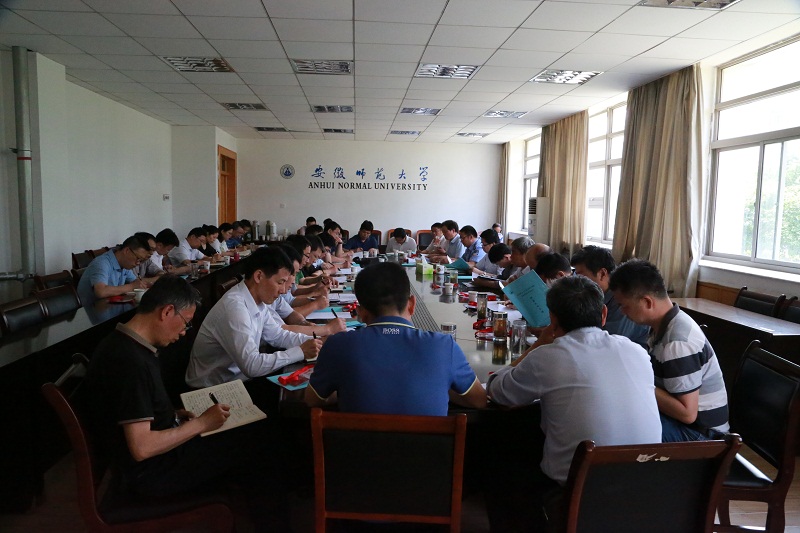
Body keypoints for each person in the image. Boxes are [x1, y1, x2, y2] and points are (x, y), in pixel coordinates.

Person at [82, 275, 291, 529]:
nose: (183, 333)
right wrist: (201, 424)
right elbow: (141, 447)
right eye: (185, 323)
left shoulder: (124, 343)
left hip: (156, 457)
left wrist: (176, 416)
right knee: (262, 441)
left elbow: (134, 408)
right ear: (167, 312)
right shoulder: (129, 363)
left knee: (256, 429)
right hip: (152, 473)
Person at [486, 276, 662, 527]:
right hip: (644, 489)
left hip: (580, 495)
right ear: (603, 314)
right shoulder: (637, 351)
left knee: (500, 460)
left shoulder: (549, 356)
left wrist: (538, 345)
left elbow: (497, 391)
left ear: (553, 319)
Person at [305, 262, 486, 415]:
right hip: (426, 448)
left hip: (355, 447)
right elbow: (479, 401)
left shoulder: (338, 345)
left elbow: (312, 400)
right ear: (412, 304)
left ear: (361, 313)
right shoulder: (444, 346)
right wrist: (440, 384)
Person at [609, 259, 729, 442]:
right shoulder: (664, 324)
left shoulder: (676, 343)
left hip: (703, 435)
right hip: (687, 425)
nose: (622, 312)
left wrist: (639, 382)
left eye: (624, 306)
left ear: (647, 302)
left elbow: (687, 414)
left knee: (621, 428)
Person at [185, 247, 323, 389]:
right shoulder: (235, 307)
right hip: (212, 389)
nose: (283, 290)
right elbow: (251, 365)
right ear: (258, 276)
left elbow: (278, 335)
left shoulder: (258, 301)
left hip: (238, 378)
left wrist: (317, 343)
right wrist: (300, 351)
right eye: (280, 282)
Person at [570, 245, 649, 347]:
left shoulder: (625, 299)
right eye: (575, 275)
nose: (577, 281)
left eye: (581, 276)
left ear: (602, 274)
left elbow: (610, 343)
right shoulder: (595, 295)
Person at [77, 234, 151, 307]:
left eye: (141, 261)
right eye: (138, 258)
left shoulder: (124, 265)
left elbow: (135, 282)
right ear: (127, 251)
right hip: (90, 311)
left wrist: (142, 285)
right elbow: (101, 291)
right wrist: (132, 286)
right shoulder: (102, 263)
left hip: (110, 307)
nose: (138, 263)